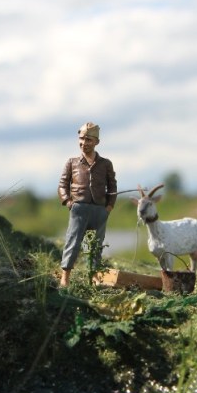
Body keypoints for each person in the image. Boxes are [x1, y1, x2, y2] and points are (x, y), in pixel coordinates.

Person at [57, 122, 117, 287]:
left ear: (97, 142)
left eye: (89, 139)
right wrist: (68, 202)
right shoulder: (72, 162)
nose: (84, 143)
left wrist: (109, 207)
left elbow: (112, 187)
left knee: (95, 245)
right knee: (73, 241)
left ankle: (94, 276)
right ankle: (65, 277)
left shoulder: (105, 164)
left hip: (99, 210)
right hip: (79, 209)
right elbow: (62, 185)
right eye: (82, 139)